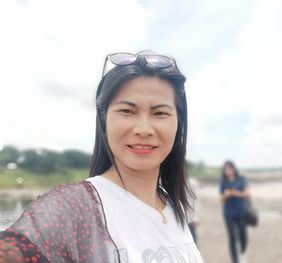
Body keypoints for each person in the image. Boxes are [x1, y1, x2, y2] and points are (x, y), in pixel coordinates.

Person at [0, 51, 203, 262]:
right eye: (127, 111)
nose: (144, 129)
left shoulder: (172, 203)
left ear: (179, 122)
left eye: (160, 113)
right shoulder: (74, 208)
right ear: (104, 121)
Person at [220, 160, 250, 263]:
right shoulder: (223, 181)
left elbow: (247, 194)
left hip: (241, 212)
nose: (227, 171)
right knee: (232, 237)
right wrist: (226, 195)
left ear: (234, 168)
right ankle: (235, 260)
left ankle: (243, 251)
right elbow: (221, 200)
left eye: (229, 168)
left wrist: (234, 193)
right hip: (228, 213)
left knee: (243, 237)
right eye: (226, 169)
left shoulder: (241, 179)